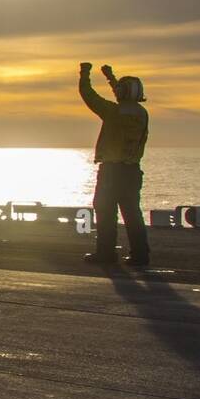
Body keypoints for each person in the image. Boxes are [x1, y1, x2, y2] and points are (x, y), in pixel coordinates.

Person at [79, 61, 149, 266]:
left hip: (111, 171)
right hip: (132, 171)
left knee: (105, 211)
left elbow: (88, 95)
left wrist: (85, 73)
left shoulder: (112, 112)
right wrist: (111, 77)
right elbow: (123, 98)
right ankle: (140, 255)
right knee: (132, 214)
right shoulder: (141, 114)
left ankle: (106, 254)